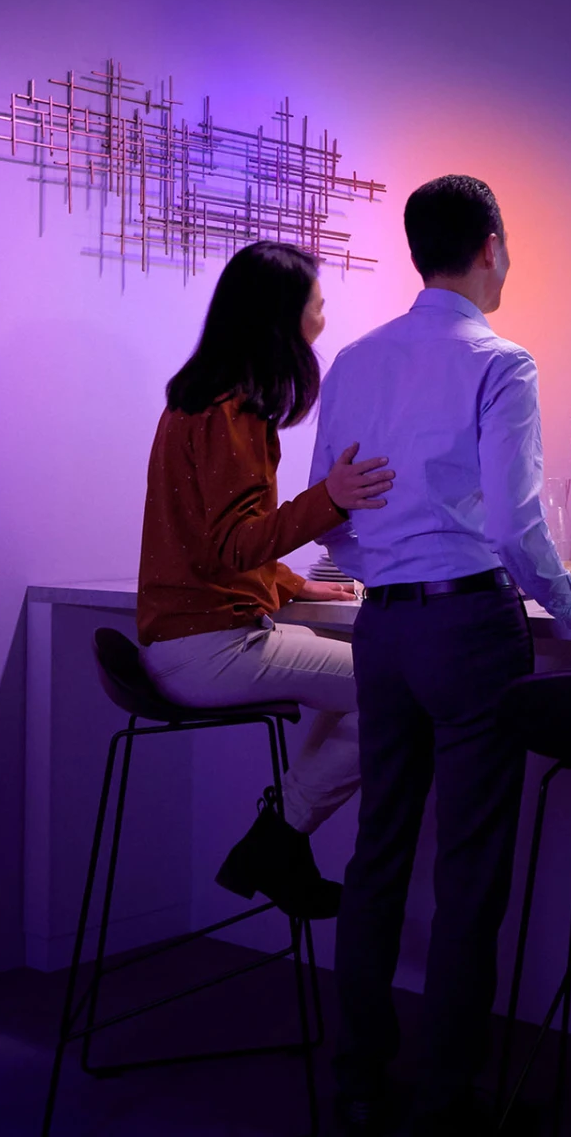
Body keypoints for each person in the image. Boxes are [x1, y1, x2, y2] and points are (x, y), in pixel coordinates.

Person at [309, 174, 571, 1137]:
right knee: (469, 867)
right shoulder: (501, 360)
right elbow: (517, 524)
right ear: (491, 244)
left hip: (383, 629)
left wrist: (385, 564)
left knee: (378, 855)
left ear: (421, 251)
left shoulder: (353, 361)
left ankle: (358, 1081)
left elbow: (332, 510)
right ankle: (445, 1097)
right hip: (468, 628)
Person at [137, 240, 396, 921]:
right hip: (211, 646)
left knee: (361, 685)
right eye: (316, 305)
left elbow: (207, 539)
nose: (323, 318)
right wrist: (330, 498)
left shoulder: (196, 402)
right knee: (396, 691)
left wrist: (291, 584)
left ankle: (281, 842)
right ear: (281, 318)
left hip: (178, 642)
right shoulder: (236, 412)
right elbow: (231, 544)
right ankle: (280, 839)